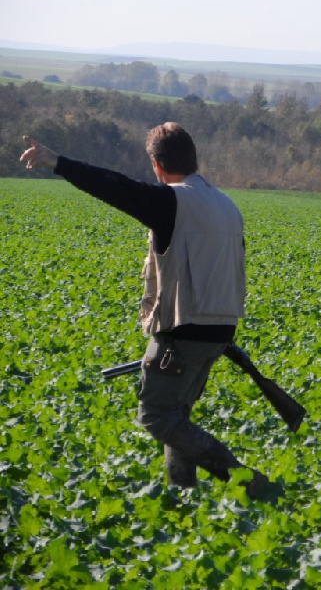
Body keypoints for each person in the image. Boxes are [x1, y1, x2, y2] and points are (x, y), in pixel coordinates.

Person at [20, 123, 277, 501]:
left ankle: (248, 482)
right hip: (219, 327)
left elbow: (114, 186)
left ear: (157, 165)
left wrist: (57, 161)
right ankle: (182, 497)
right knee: (177, 417)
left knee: (156, 416)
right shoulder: (225, 203)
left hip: (184, 327)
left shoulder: (172, 201)